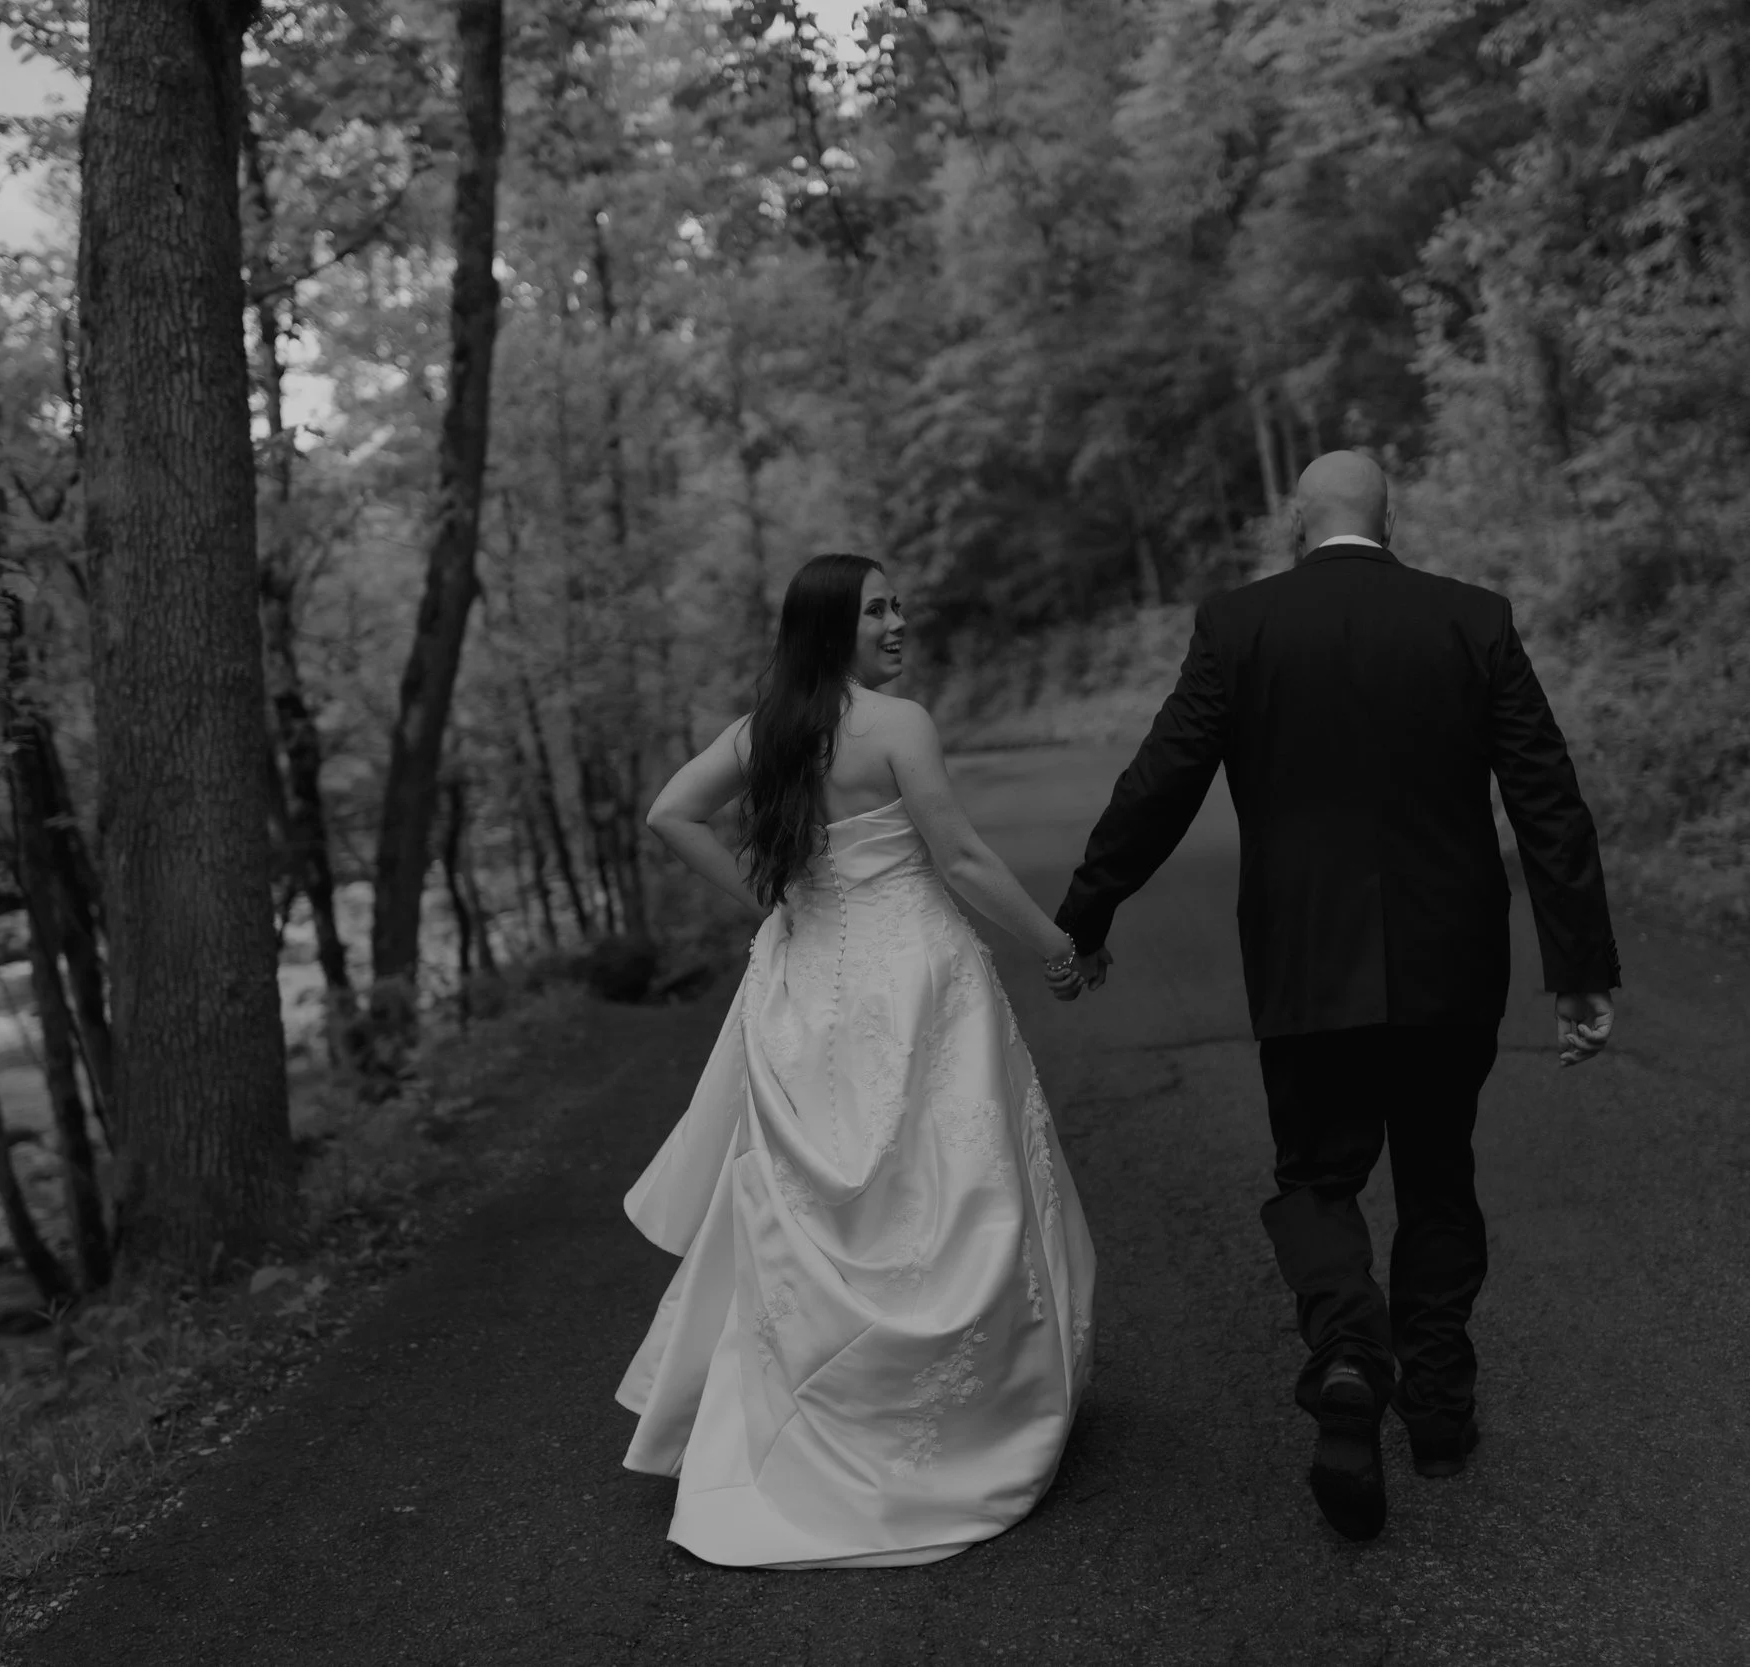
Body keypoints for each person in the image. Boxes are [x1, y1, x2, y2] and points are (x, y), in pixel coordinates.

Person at [1050, 452, 1619, 1542]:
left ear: (1294, 525)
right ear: (1389, 516)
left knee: (1315, 1177)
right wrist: (1580, 963)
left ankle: (1351, 1350)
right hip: (1450, 960)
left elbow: (1160, 780)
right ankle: (1441, 1416)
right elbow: (1547, 797)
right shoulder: (1472, 619)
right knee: (1438, 1177)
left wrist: (1086, 911)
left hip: (1306, 962)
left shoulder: (1240, 625)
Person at [616, 552, 1095, 1568]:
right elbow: (958, 856)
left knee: (833, 1204)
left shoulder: (768, 731)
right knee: (957, 1185)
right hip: (917, 979)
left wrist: (771, 902)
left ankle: (825, 1417)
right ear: (831, 625)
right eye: (877, 608)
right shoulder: (897, 723)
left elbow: (669, 811)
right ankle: (970, 1414)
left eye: (898, 604)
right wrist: (1052, 943)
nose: (898, 621)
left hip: (808, 979)